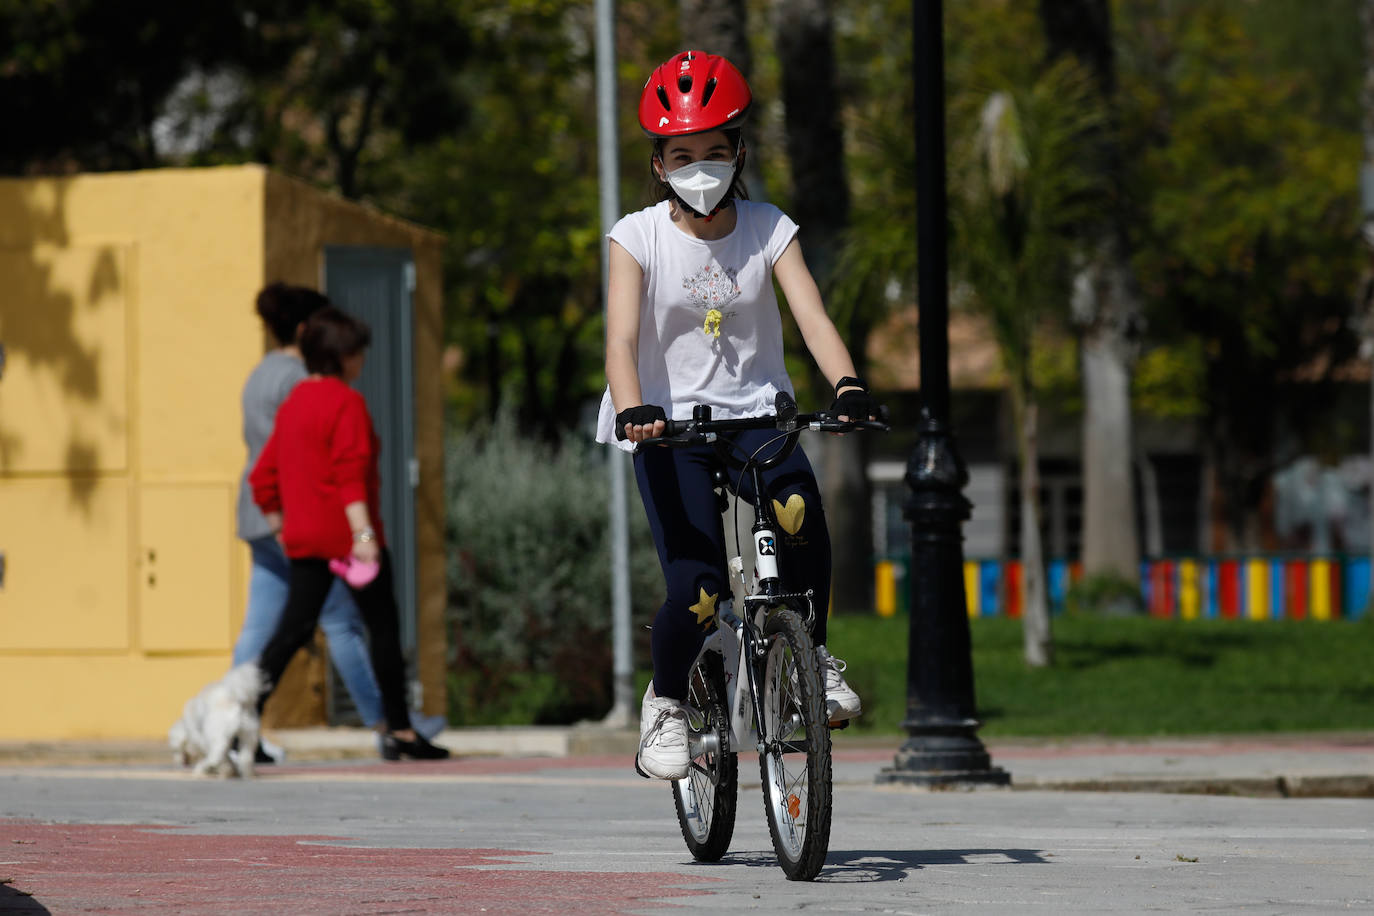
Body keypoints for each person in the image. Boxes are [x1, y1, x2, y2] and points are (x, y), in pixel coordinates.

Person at [596, 50, 873, 780]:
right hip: (670, 426)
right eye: (683, 154)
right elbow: (620, 342)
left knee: (799, 512)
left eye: (716, 151)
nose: (701, 167)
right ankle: (664, 705)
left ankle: (809, 654)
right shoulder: (638, 236)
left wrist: (846, 385)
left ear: (739, 153)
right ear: (659, 164)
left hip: (756, 415)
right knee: (699, 587)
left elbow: (810, 315)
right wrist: (634, 411)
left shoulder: (768, 226)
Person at [233, 284, 442, 762]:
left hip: (304, 540)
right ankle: (401, 732)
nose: (362, 360)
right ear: (343, 355)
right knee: (381, 629)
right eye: (357, 352)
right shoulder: (346, 403)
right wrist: (364, 536)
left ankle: (241, 723)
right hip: (350, 540)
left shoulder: (294, 404)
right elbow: (350, 476)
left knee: (286, 637)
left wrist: (283, 529)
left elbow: (263, 477)